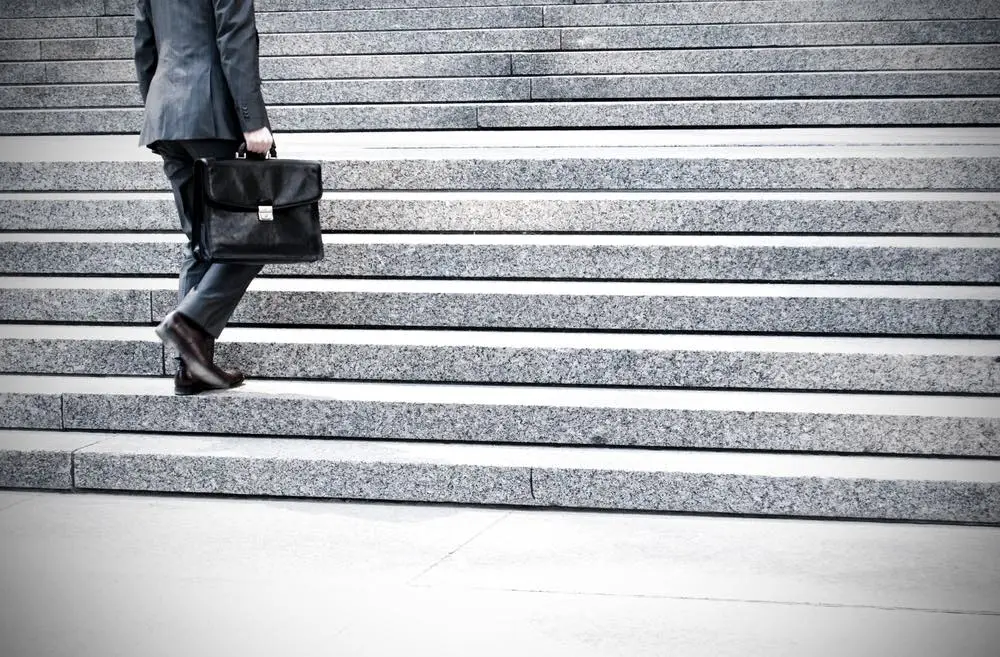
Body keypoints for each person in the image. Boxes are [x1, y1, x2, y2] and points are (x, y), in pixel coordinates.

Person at [134, 0, 273, 395]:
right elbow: (236, 39)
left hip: (166, 116)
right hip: (210, 113)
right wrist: (254, 122)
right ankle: (189, 323)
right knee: (252, 237)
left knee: (201, 241)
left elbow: (145, 46)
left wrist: (160, 108)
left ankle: (193, 367)